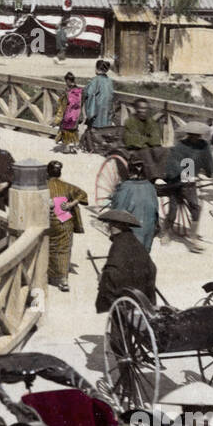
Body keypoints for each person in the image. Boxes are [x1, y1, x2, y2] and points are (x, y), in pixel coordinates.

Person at [162, 121, 213, 250]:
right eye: (193, 135)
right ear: (188, 134)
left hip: (190, 182)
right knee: (173, 210)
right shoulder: (180, 146)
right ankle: (165, 232)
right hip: (176, 181)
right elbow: (173, 163)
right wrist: (183, 175)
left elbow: (208, 160)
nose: (196, 137)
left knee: (195, 207)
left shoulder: (204, 145)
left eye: (198, 135)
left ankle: (192, 238)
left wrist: (211, 172)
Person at [94, 208, 156, 312]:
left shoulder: (119, 244)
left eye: (110, 225)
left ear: (114, 227)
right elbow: (151, 267)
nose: (109, 228)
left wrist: (103, 277)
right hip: (143, 290)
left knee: (105, 290)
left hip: (127, 293)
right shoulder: (134, 240)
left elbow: (114, 272)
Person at [46, 160, 88, 293]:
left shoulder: (42, 186)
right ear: (60, 173)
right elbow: (83, 194)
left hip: (47, 221)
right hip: (63, 220)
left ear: (47, 172)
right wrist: (71, 204)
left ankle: (48, 275)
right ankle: (63, 280)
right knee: (64, 249)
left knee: (49, 247)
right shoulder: (67, 186)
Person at [110, 156, 160, 252]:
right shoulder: (150, 187)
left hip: (132, 234)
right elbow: (156, 211)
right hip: (148, 232)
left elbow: (117, 211)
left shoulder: (125, 187)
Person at [123, 100, 167, 180]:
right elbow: (134, 141)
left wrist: (145, 139)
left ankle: (163, 176)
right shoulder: (130, 121)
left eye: (146, 108)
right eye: (141, 108)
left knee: (163, 150)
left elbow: (155, 140)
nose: (144, 111)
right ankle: (154, 178)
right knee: (145, 151)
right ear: (136, 109)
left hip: (148, 147)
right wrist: (147, 138)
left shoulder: (150, 121)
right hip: (133, 150)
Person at [81, 59, 116, 154]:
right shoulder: (109, 81)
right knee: (104, 128)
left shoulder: (95, 80)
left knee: (93, 128)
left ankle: (92, 147)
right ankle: (102, 147)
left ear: (97, 69)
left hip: (97, 108)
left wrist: (86, 111)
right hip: (107, 108)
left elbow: (88, 93)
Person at [52, 73, 83, 154]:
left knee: (65, 131)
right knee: (74, 131)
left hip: (68, 115)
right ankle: (75, 147)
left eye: (66, 81)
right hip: (76, 115)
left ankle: (67, 148)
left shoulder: (67, 93)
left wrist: (56, 120)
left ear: (68, 81)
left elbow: (62, 107)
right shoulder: (80, 91)